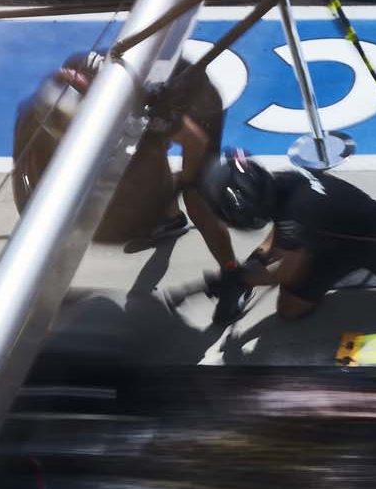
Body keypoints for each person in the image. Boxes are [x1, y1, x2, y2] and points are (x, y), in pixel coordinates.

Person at [16, 51, 249, 322]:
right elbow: (25, 174)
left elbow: (193, 142)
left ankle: (234, 275)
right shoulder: (38, 107)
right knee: (147, 153)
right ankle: (170, 220)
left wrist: (181, 186)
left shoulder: (142, 109)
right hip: (145, 105)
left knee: (196, 198)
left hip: (191, 102)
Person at [196, 148, 376, 332]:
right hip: (327, 247)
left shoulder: (300, 209)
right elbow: (282, 231)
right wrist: (252, 265)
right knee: (289, 311)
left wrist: (242, 278)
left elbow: (286, 272)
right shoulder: (280, 184)